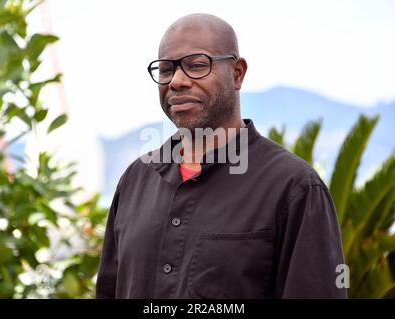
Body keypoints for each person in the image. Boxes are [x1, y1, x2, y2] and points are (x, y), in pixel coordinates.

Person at [96, 13, 347, 299]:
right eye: (166, 70)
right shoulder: (135, 180)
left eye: (197, 65)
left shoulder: (294, 188)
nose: (177, 81)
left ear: (237, 74)